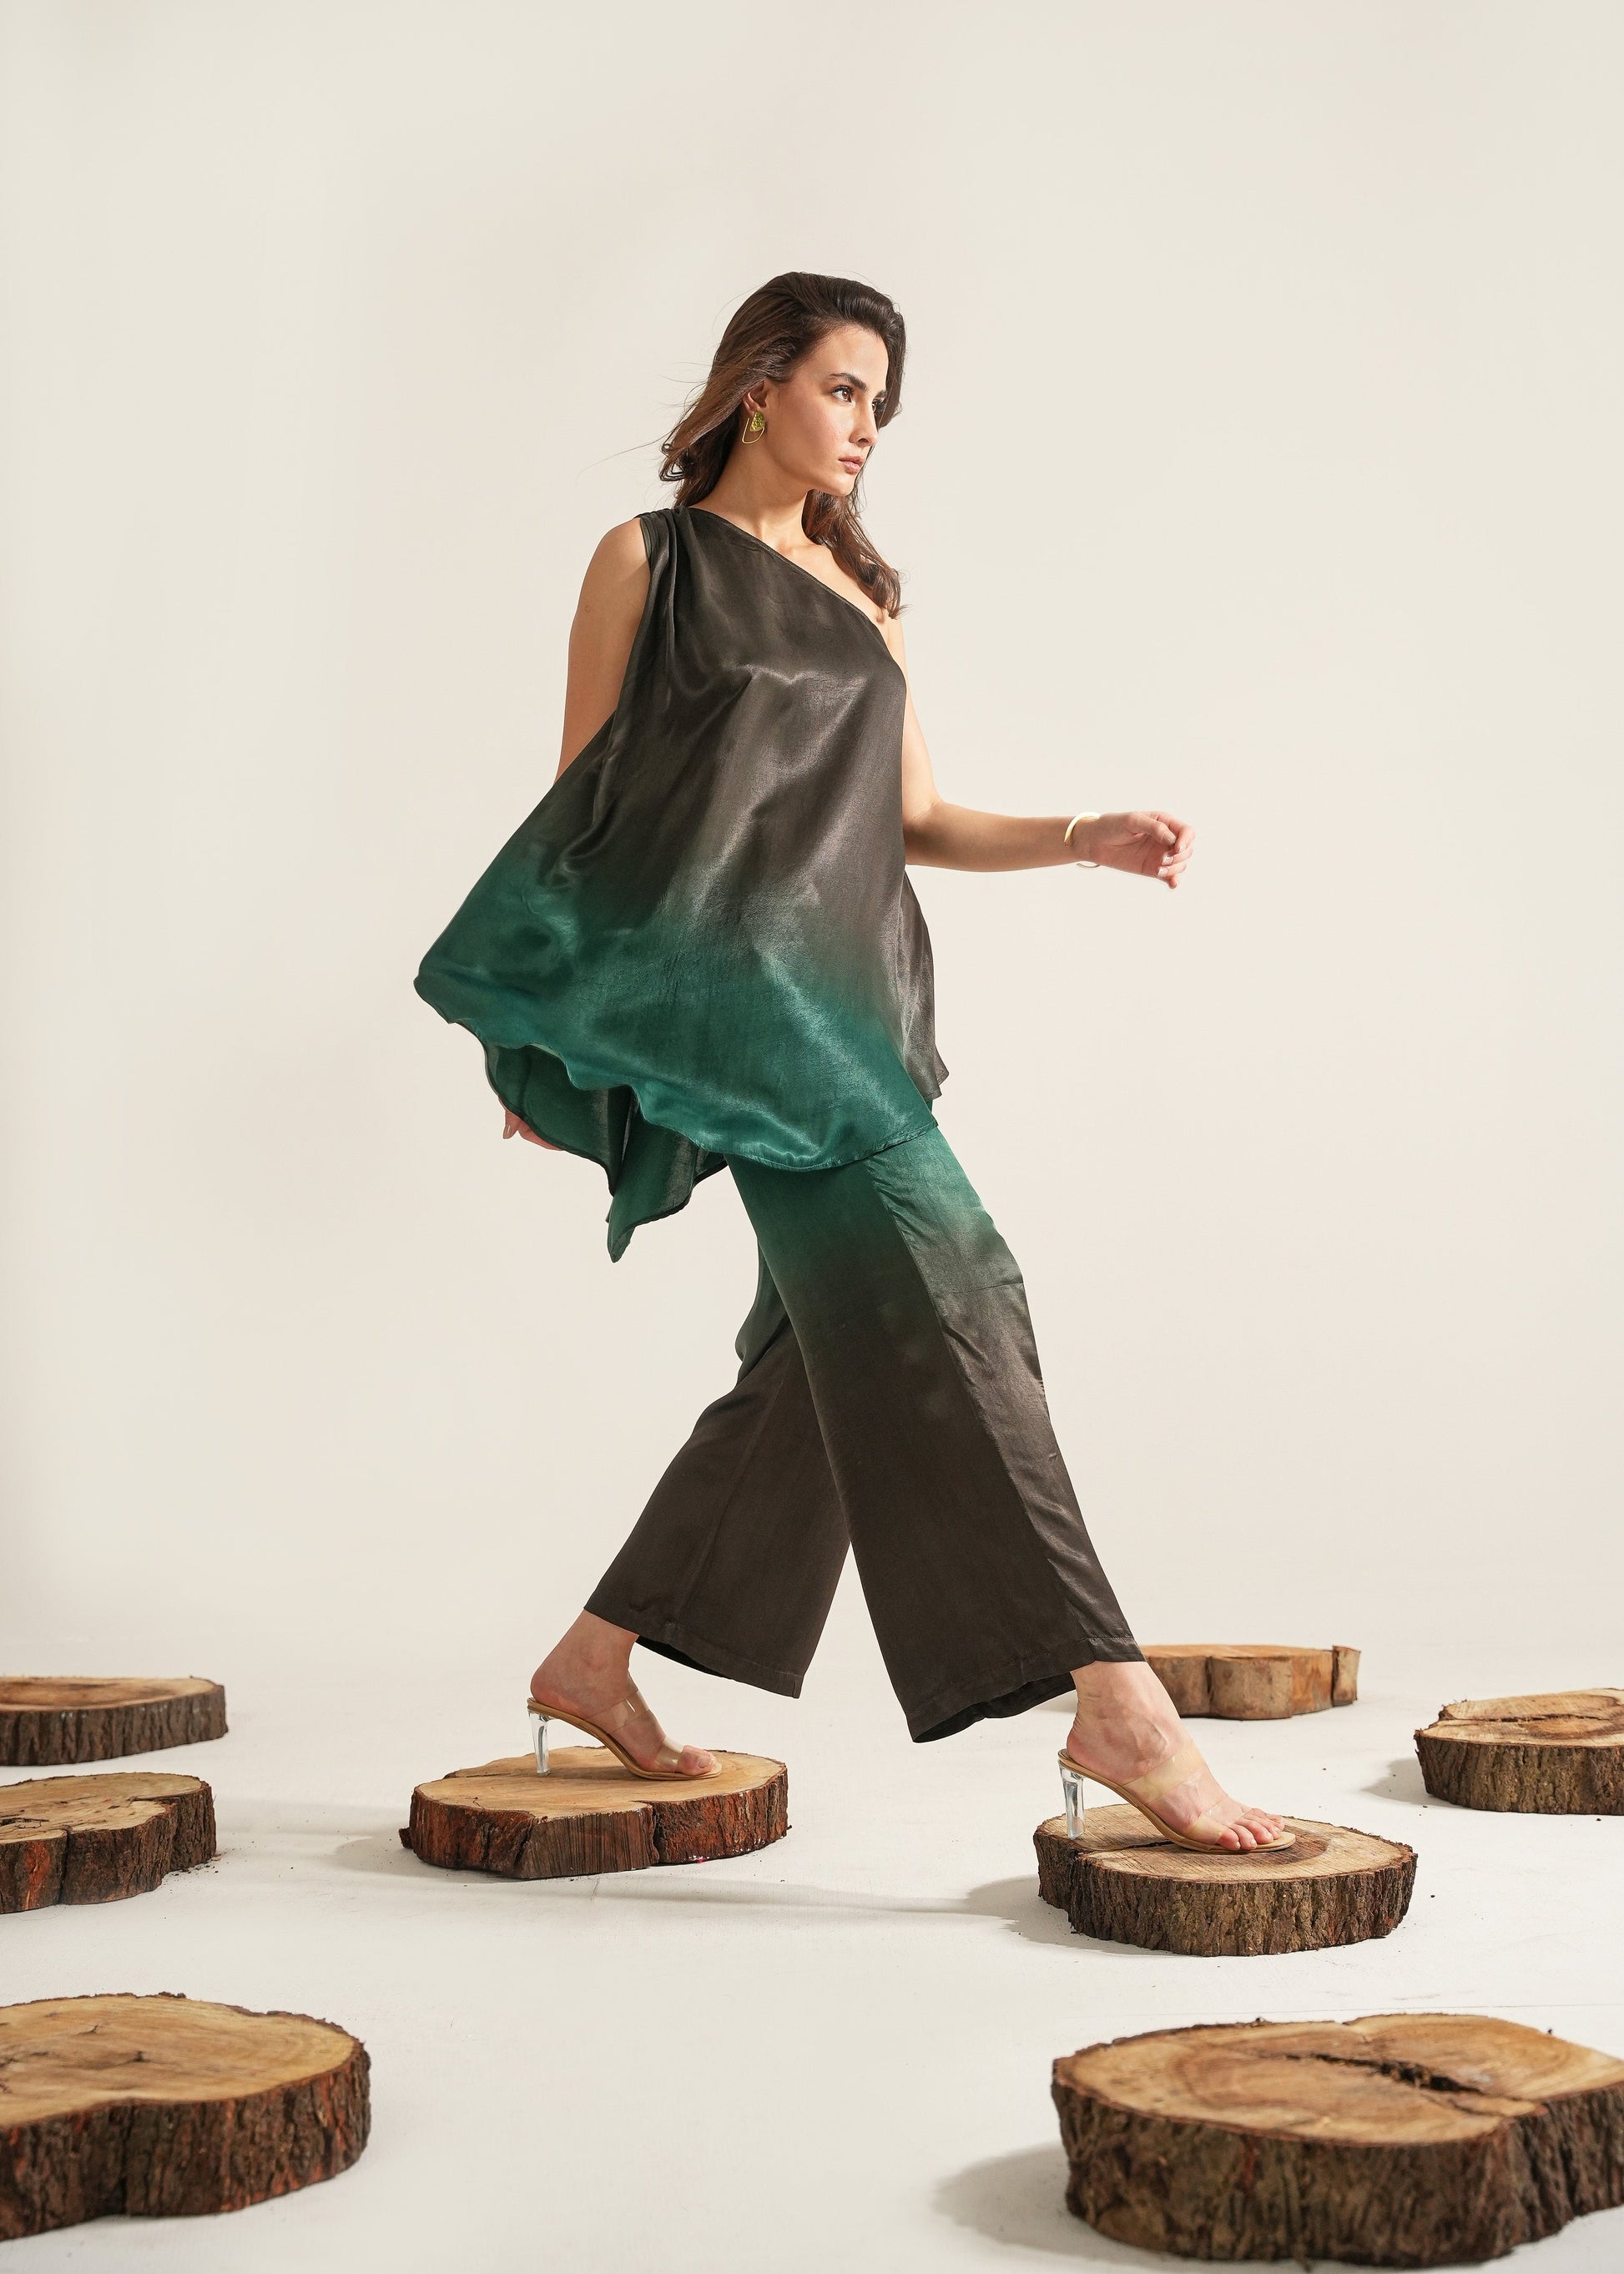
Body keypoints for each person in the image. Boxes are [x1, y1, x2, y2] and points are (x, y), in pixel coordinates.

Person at [416, 272, 1288, 1853]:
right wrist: (558, 1033)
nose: (867, 425)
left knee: (819, 1357)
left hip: (857, 1000)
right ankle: (1113, 1697)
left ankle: (594, 1658)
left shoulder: (863, 593)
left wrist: (1077, 833)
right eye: (842, 388)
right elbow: (581, 818)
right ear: (759, 387)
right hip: (740, 1016)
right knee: (962, 1284)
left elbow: (913, 818)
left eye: (882, 403)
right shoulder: (647, 560)